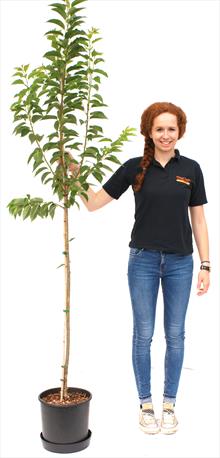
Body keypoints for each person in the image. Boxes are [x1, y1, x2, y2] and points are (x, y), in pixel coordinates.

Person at [68, 101, 210, 435]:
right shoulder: (135, 167)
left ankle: (169, 404)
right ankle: (146, 405)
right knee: (143, 334)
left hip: (180, 263)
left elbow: (199, 220)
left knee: (175, 335)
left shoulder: (191, 169)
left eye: (171, 129)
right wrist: (75, 174)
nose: (165, 135)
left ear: (180, 132)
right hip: (143, 261)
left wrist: (205, 264)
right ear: (148, 131)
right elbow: (93, 203)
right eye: (159, 129)